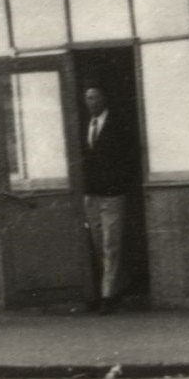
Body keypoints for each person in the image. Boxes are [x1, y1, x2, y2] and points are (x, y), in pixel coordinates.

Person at [78, 85, 142, 311]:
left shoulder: (118, 124)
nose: (91, 102)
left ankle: (108, 296)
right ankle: (118, 284)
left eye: (95, 97)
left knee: (110, 244)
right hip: (91, 194)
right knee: (97, 244)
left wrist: (121, 183)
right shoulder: (84, 126)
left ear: (104, 99)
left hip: (113, 194)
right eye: (88, 98)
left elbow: (130, 156)